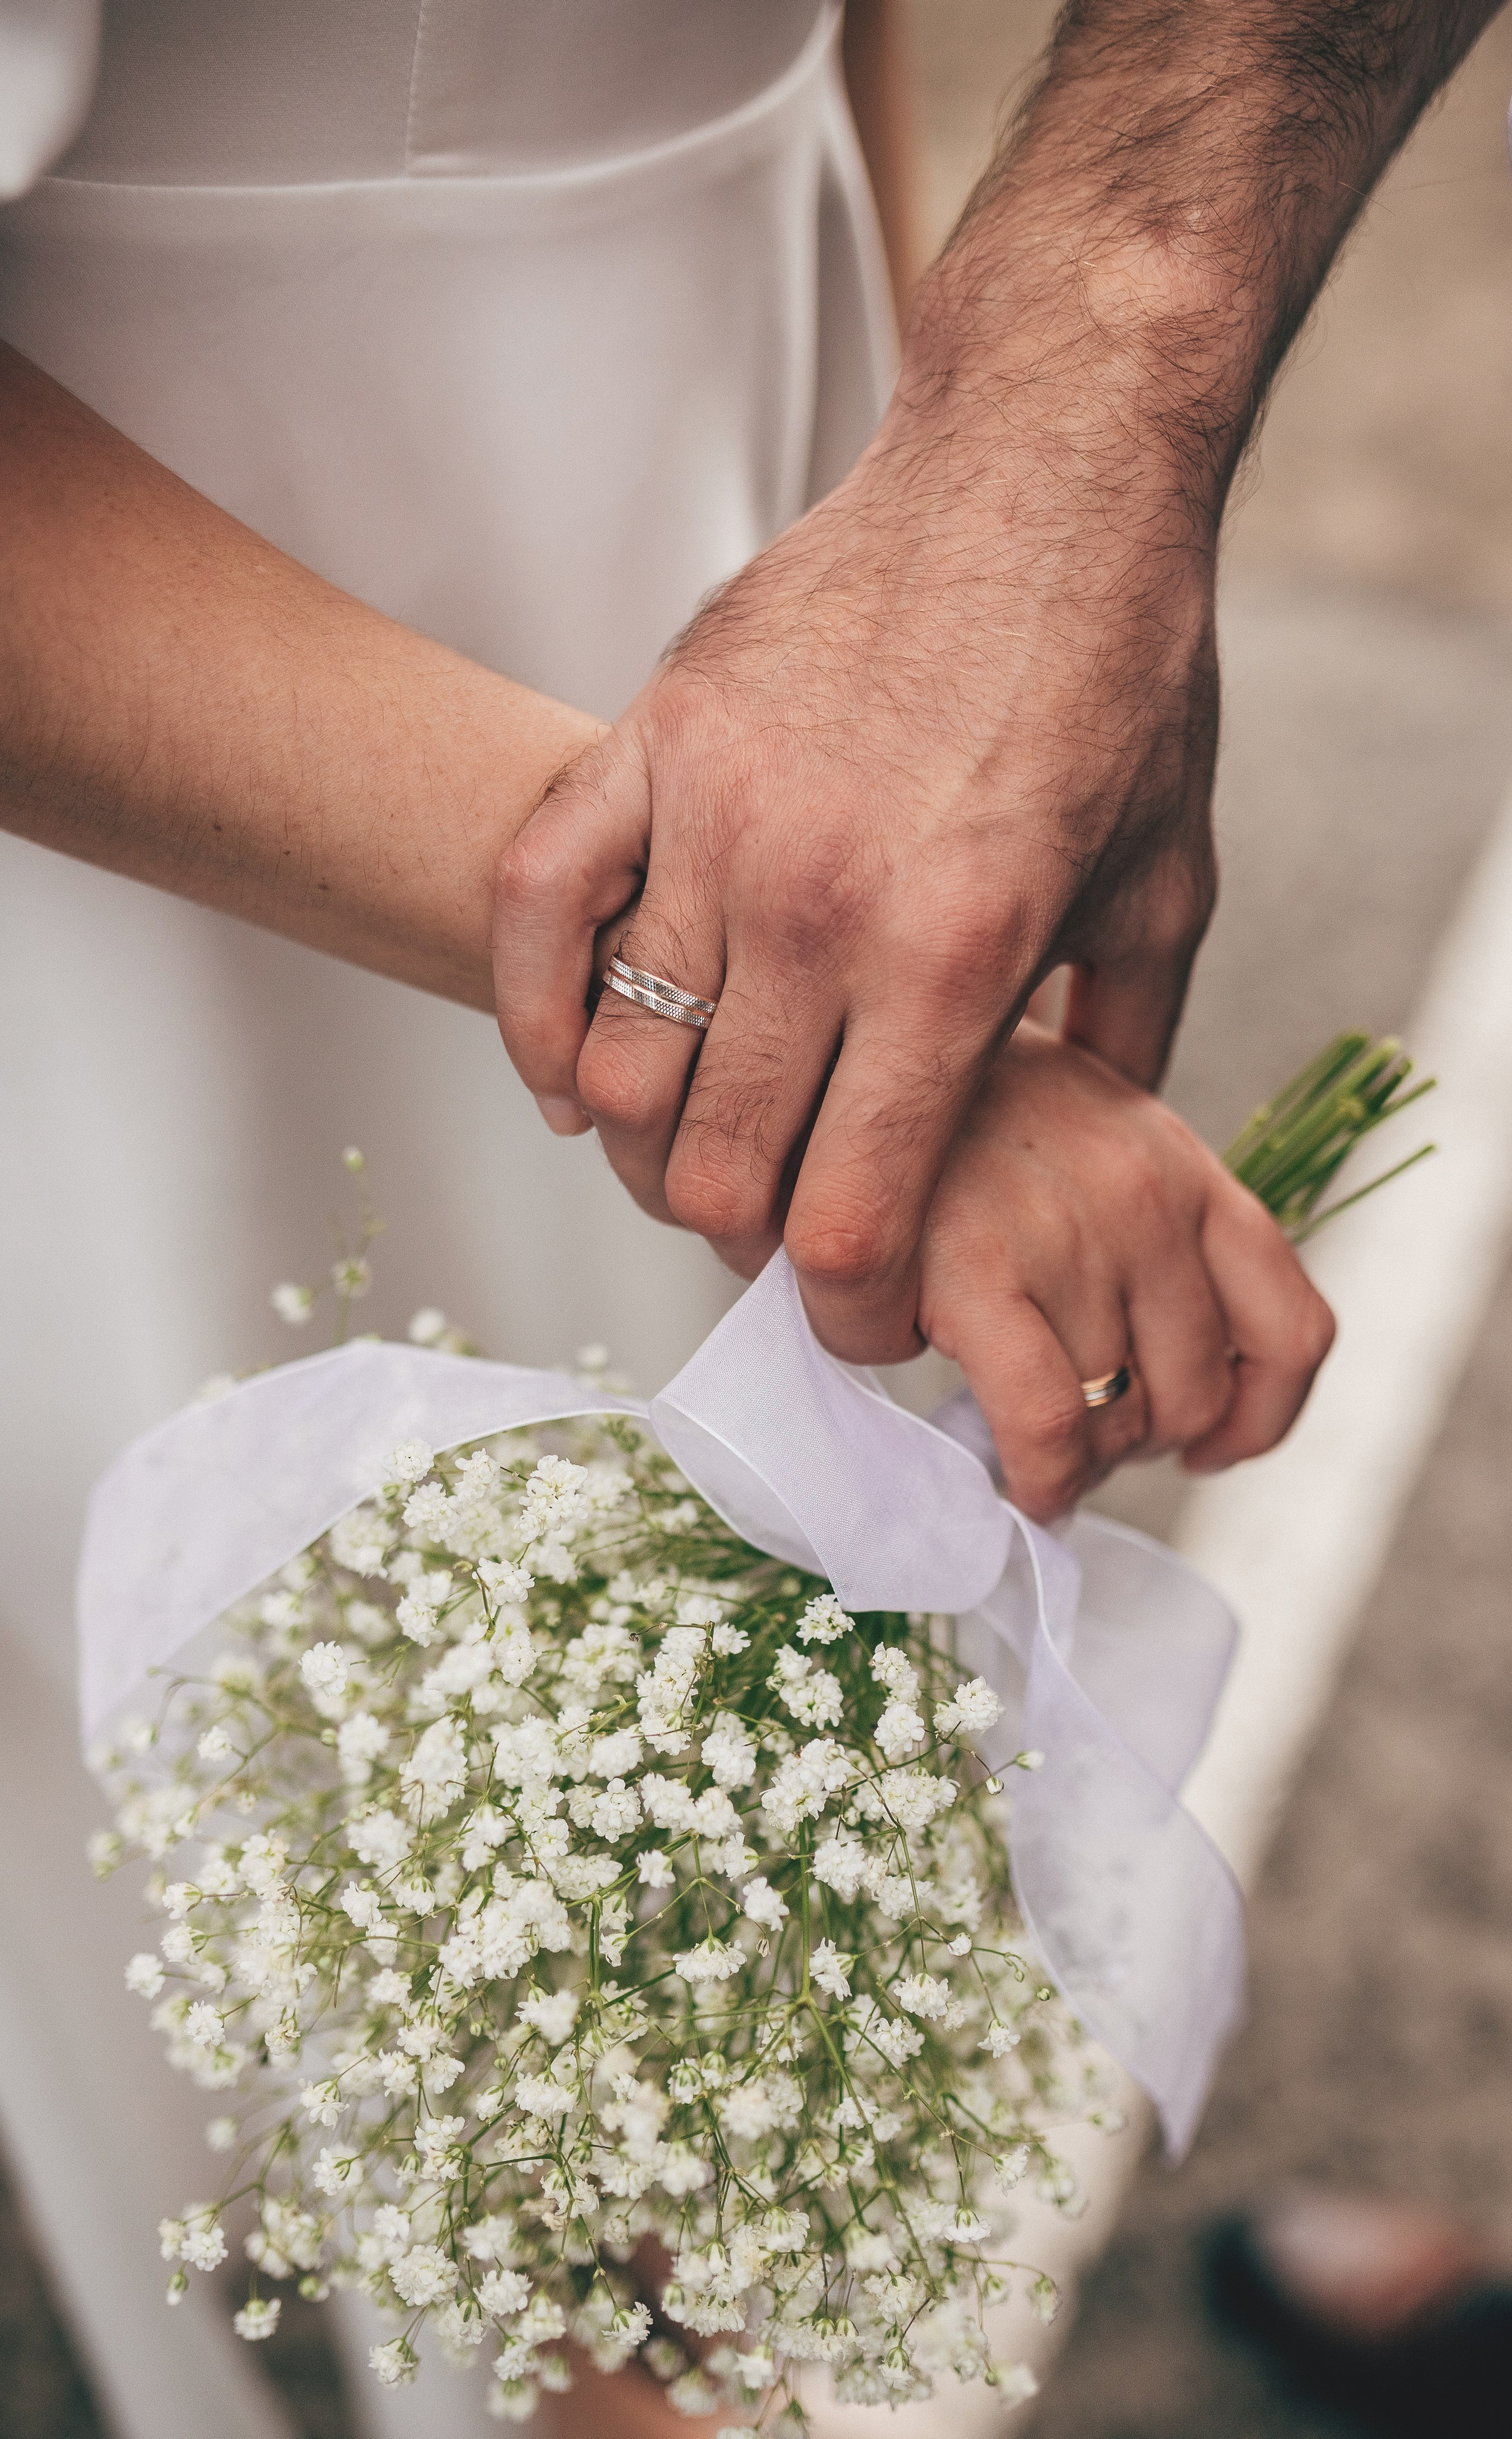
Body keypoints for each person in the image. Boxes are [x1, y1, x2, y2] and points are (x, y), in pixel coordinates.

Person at [0, 9, 1330, 2438]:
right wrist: (764, 965)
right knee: (382, 1896)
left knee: (703, 1868)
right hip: (176, 662)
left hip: (753, 440)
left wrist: (994, 533)